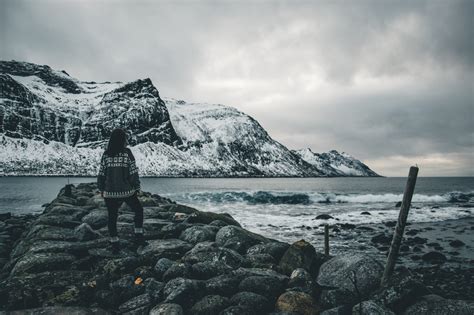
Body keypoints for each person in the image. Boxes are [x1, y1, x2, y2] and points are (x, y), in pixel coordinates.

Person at [97, 128, 147, 253]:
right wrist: (137, 187)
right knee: (139, 211)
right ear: (122, 139)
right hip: (126, 191)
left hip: (109, 192)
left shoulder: (106, 154)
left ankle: (115, 244)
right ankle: (138, 237)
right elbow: (133, 173)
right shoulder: (127, 153)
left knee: (112, 218)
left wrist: (101, 188)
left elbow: (101, 173)